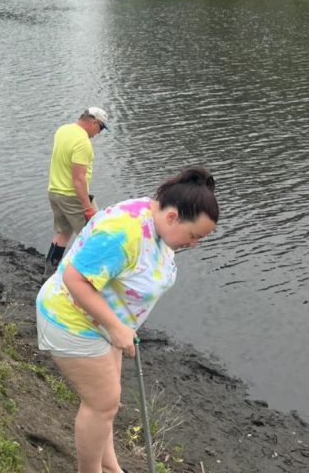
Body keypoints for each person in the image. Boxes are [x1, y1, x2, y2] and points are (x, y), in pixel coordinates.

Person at [36, 166, 219, 473]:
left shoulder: (158, 220)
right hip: (71, 320)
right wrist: (115, 326)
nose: (193, 244)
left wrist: (118, 327)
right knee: (102, 404)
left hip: (104, 324)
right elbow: (74, 277)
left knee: (107, 405)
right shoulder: (125, 232)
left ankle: (111, 468)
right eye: (193, 236)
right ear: (173, 217)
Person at [42, 107, 109, 282]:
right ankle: (85, 282)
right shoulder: (83, 143)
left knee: (62, 233)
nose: (98, 133)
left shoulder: (63, 130)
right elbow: (78, 179)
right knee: (94, 238)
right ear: (93, 122)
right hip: (72, 196)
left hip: (55, 191)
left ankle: (48, 276)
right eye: (100, 128)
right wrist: (87, 207)